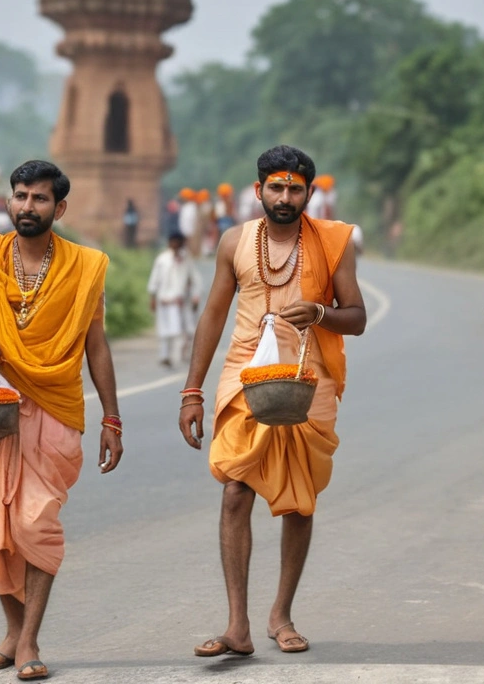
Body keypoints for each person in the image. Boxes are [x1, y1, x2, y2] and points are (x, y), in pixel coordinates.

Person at [0, 160, 124, 681]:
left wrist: (112, 418)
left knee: (35, 524)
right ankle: (13, 631)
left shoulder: (85, 266)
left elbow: (96, 345)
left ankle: (29, 641)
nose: (27, 207)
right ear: (9, 201)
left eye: (39, 199)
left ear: (59, 208)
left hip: (56, 409)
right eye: (20, 196)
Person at [179, 145, 366, 658]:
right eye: (276, 187)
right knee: (235, 488)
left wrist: (321, 314)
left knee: (299, 499)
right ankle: (236, 625)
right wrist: (192, 390)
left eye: (295, 188)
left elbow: (358, 316)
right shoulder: (234, 241)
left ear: (309, 192)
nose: (285, 197)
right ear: (258, 189)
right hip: (245, 372)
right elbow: (213, 316)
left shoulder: (333, 243)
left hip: (309, 374)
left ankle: (281, 614)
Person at [148, 231, 202, 368]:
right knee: (164, 330)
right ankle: (165, 356)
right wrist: (152, 297)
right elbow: (155, 279)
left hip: (180, 302)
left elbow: (194, 279)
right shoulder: (162, 259)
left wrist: (196, 296)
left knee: (182, 330)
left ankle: (179, 356)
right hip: (164, 300)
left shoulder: (186, 259)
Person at [178, 188, 199, 256]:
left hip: (190, 230)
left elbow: (192, 220)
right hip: (185, 230)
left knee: (191, 244)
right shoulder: (185, 206)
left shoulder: (192, 207)